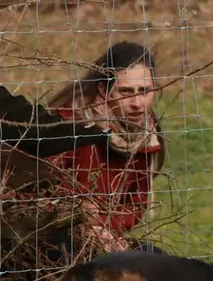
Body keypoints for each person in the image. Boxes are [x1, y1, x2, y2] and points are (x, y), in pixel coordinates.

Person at [47, 40, 166, 255]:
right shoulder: (69, 124)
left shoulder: (144, 133)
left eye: (145, 91)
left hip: (108, 237)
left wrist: (106, 231)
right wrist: (85, 225)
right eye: (126, 91)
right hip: (58, 239)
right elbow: (40, 196)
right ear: (104, 89)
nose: (137, 103)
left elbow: (136, 205)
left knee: (157, 260)